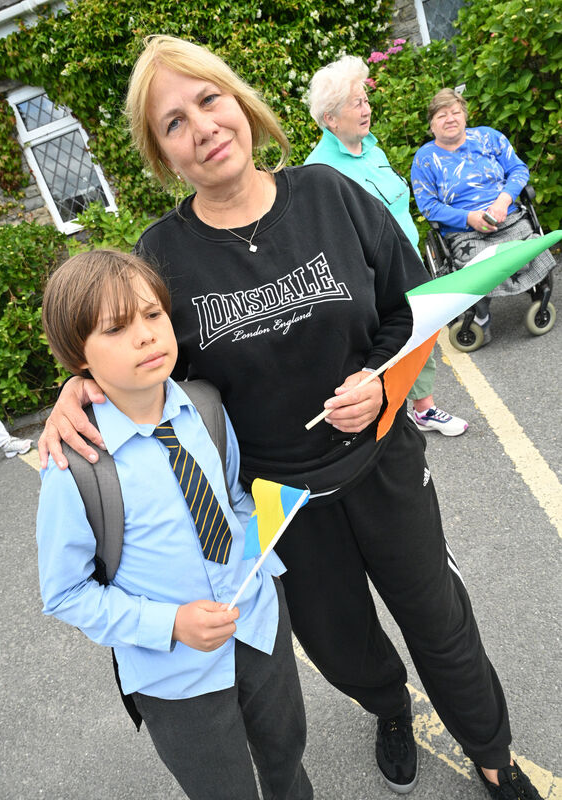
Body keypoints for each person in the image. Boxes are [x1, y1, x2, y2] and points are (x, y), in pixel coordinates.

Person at [38, 36, 545, 800]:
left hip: (383, 465)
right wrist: (76, 392)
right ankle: (387, 707)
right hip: (278, 506)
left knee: (439, 622)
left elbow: (412, 314)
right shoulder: (161, 255)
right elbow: (133, 357)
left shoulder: (330, 195)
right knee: (341, 650)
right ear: (163, 154)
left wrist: (381, 382)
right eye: (173, 122)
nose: (202, 126)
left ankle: (492, 752)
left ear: (240, 104)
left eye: (209, 99)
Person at [36, 249, 312, 800]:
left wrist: (263, 568)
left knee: (286, 755)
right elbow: (65, 593)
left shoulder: (206, 406)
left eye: (153, 315)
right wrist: (169, 624)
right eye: (116, 328)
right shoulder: (74, 468)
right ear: (78, 357)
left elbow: (233, 498)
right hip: (175, 675)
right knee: (222, 787)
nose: (145, 336)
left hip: (258, 627)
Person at [304, 56, 467, 437]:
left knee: (422, 336)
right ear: (330, 118)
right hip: (374, 278)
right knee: (396, 342)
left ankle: (419, 408)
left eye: (366, 99)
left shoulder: (373, 151)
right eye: (356, 103)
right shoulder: (320, 172)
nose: (366, 109)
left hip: (408, 263)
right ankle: (405, 413)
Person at [411, 87, 556, 343]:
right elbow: (429, 206)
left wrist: (504, 199)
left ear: (465, 116)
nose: (450, 119)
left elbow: (519, 170)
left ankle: (535, 290)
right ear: (431, 124)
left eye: (455, 112)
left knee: (527, 249)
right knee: (479, 264)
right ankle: (480, 315)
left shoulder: (488, 138)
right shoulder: (425, 159)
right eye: (442, 115)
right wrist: (469, 218)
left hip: (506, 217)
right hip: (464, 230)